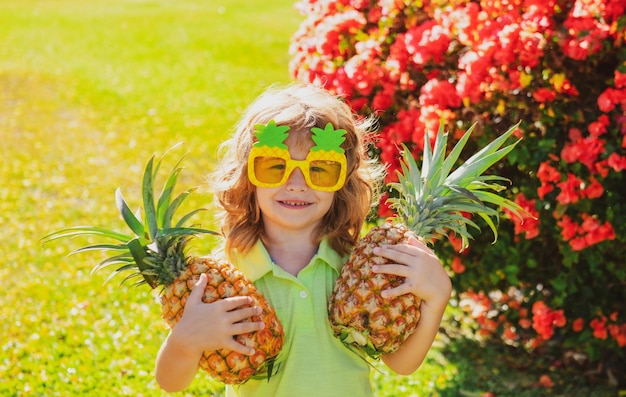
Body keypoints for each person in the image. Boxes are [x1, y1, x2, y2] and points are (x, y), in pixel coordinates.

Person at [154, 83, 452, 396]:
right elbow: (170, 383)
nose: (296, 184)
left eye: (320, 169)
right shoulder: (227, 272)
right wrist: (185, 340)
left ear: (344, 181)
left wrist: (436, 297)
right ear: (247, 176)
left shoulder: (360, 265)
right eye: (275, 167)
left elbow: (400, 363)